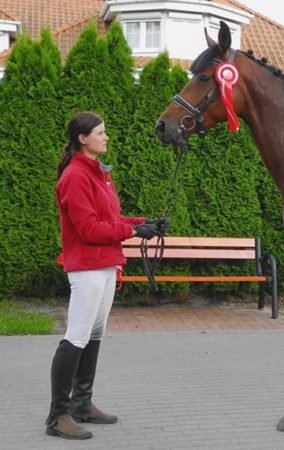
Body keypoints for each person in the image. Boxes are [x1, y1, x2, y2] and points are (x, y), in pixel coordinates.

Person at [46, 111, 169, 440]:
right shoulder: (75, 176)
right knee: (76, 336)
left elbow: (111, 218)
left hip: (104, 264)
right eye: (100, 132)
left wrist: (144, 223)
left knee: (93, 335)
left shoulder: (98, 174)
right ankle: (58, 416)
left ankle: (82, 404)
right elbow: (88, 229)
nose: (107, 136)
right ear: (82, 139)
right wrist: (133, 231)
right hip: (86, 266)